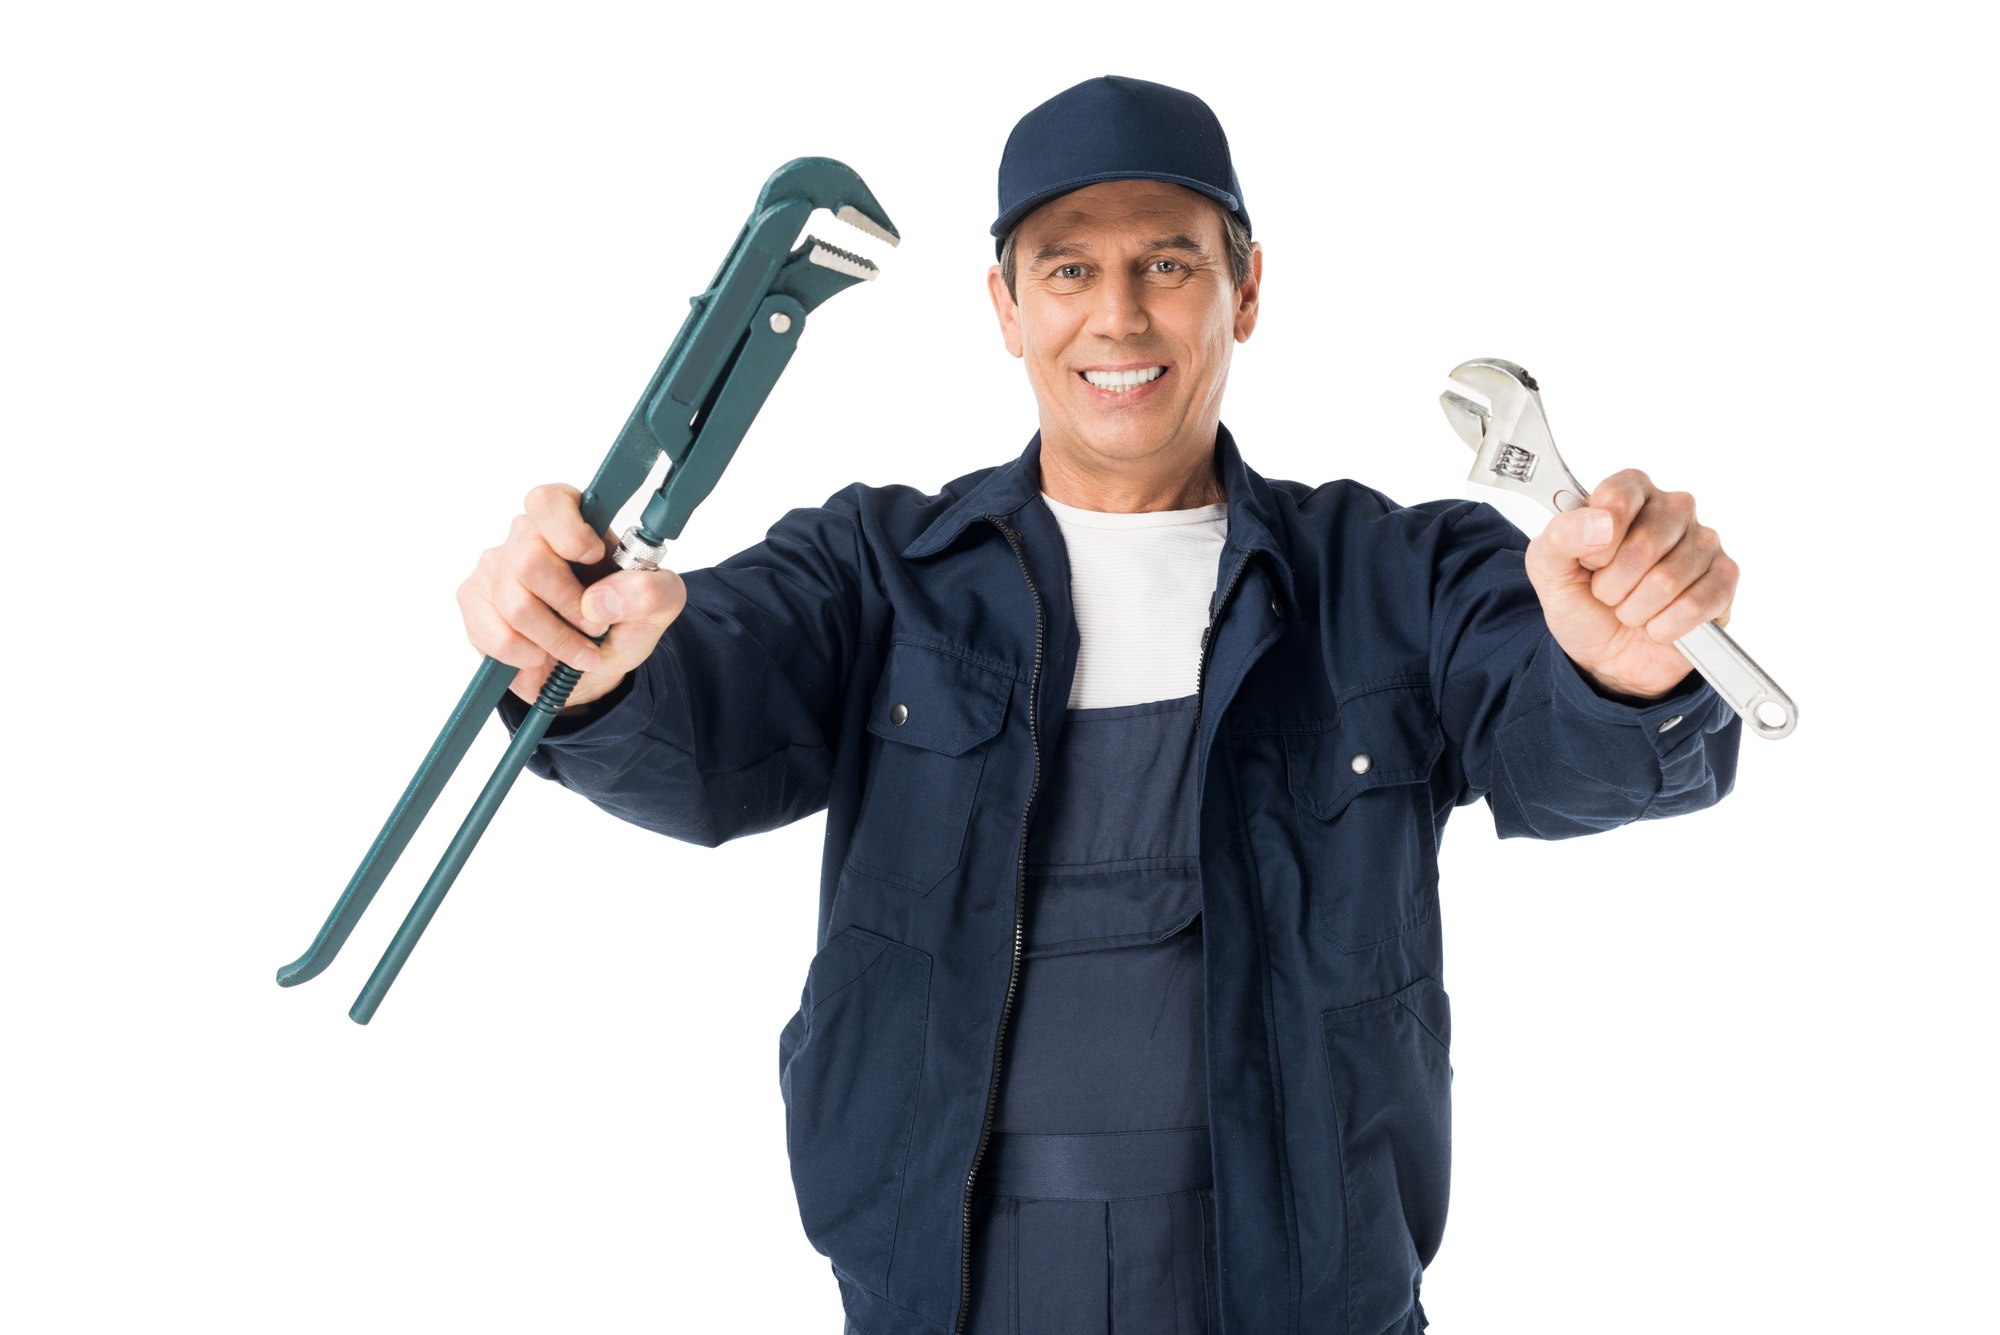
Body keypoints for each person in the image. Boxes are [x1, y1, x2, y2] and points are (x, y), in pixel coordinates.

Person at [462, 76, 1740, 1335]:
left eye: (1167, 265)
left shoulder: (1393, 578)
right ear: (1005, 308)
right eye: (1068, 270)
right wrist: (585, 663)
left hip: (1303, 1300)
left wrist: (1631, 667)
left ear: (1245, 290)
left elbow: (1568, 745)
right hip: (949, 1300)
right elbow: (697, 725)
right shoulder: (874, 573)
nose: (1118, 317)